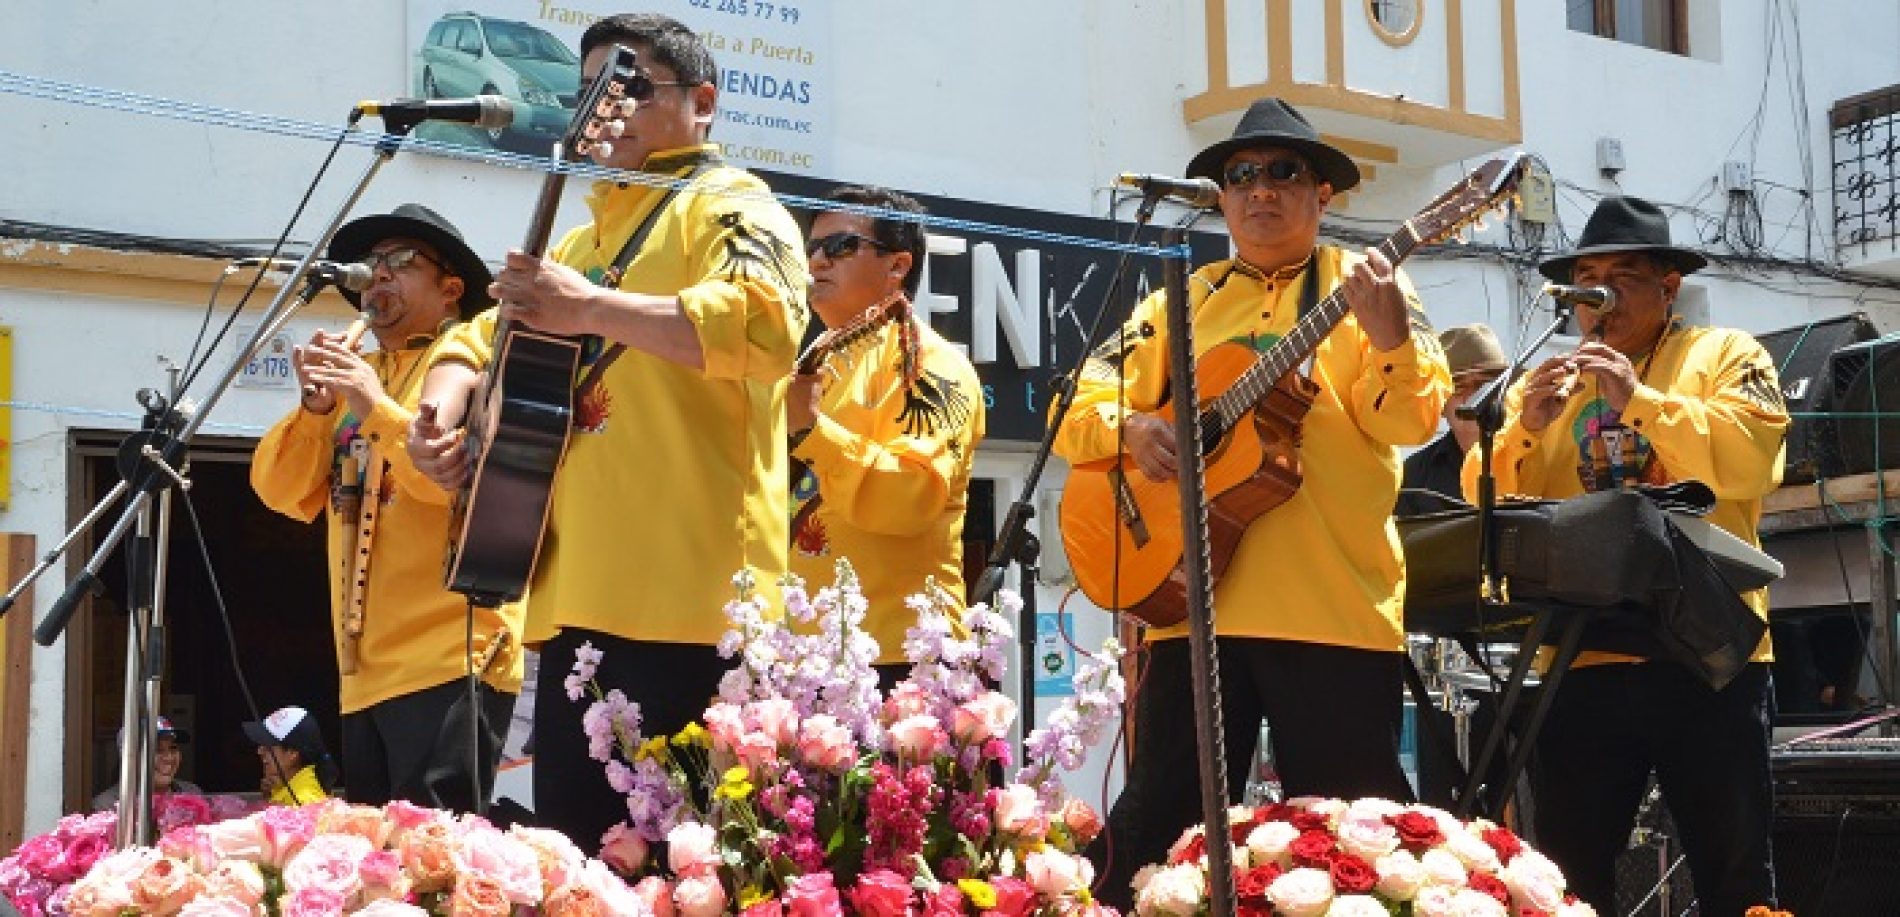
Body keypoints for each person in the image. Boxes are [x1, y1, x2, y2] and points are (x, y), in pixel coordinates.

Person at [406, 13, 808, 853]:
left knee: (691, 871)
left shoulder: (732, 204)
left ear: (703, 102)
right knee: (578, 864)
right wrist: (440, 410)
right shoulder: (585, 237)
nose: (602, 107)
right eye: (587, 90)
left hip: (693, 601)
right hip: (572, 603)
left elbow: (767, 325)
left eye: (626, 86)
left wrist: (585, 306)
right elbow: (478, 337)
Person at [1052, 97, 1451, 908]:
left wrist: (1391, 341)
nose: (1260, 190)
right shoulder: (1182, 300)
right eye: (1240, 176)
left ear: (1323, 194)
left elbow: (1408, 416)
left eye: (1283, 173)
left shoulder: (1371, 287)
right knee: (1157, 833)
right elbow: (1078, 399)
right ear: (1222, 197)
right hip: (1192, 610)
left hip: (1332, 606)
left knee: (1353, 840)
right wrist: (1129, 427)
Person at [1460, 195, 1786, 915]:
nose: (1597, 298)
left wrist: (1639, 399)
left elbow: (1750, 460)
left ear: (1669, 286)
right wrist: (1524, 431)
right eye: (1585, 282)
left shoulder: (1725, 353)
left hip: (1705, 651)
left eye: (1620, 278)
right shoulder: (1550, 385)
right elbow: (1490, 506)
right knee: (1567, 877)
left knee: (1735, 875)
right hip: (1585, 654)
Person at [250, 203, 525, 814]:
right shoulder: (361, 375)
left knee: (437, 859)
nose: (377, 276)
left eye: (400, 262)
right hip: (363, 671)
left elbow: (449, 486)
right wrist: (318, 413)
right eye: (371, 265)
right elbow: (280, 492)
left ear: (451, 288)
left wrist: (373, 406)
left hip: (449, 651)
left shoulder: (471, 359)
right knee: (382, 864)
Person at [788, 186, 985, 686]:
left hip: (900, 661)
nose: (816, 261)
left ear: (897, 265)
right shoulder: (815, 359)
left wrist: (811, 430)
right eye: (811, 248)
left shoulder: (932, 363)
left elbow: (908, 498)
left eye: (839, 247)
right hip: (801, 661)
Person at [1394, 323, 1507, 516]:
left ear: (1506, 391)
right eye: (1459, 387)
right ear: (1440, 404)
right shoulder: (1412, 477)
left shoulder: (1532, 454)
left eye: (1483, 385)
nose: (1473, 397)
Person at [91, 716, 202, 812]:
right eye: (157, 750)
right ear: (130, 758)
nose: (169, 758)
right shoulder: (108, 805)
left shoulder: (192, 793)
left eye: (173, 748)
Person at [243, 705, 340, 805]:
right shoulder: (289, 786)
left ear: (292, 753)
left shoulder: (305, 801)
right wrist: (271, 795)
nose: (259, 751)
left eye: (268, 746)